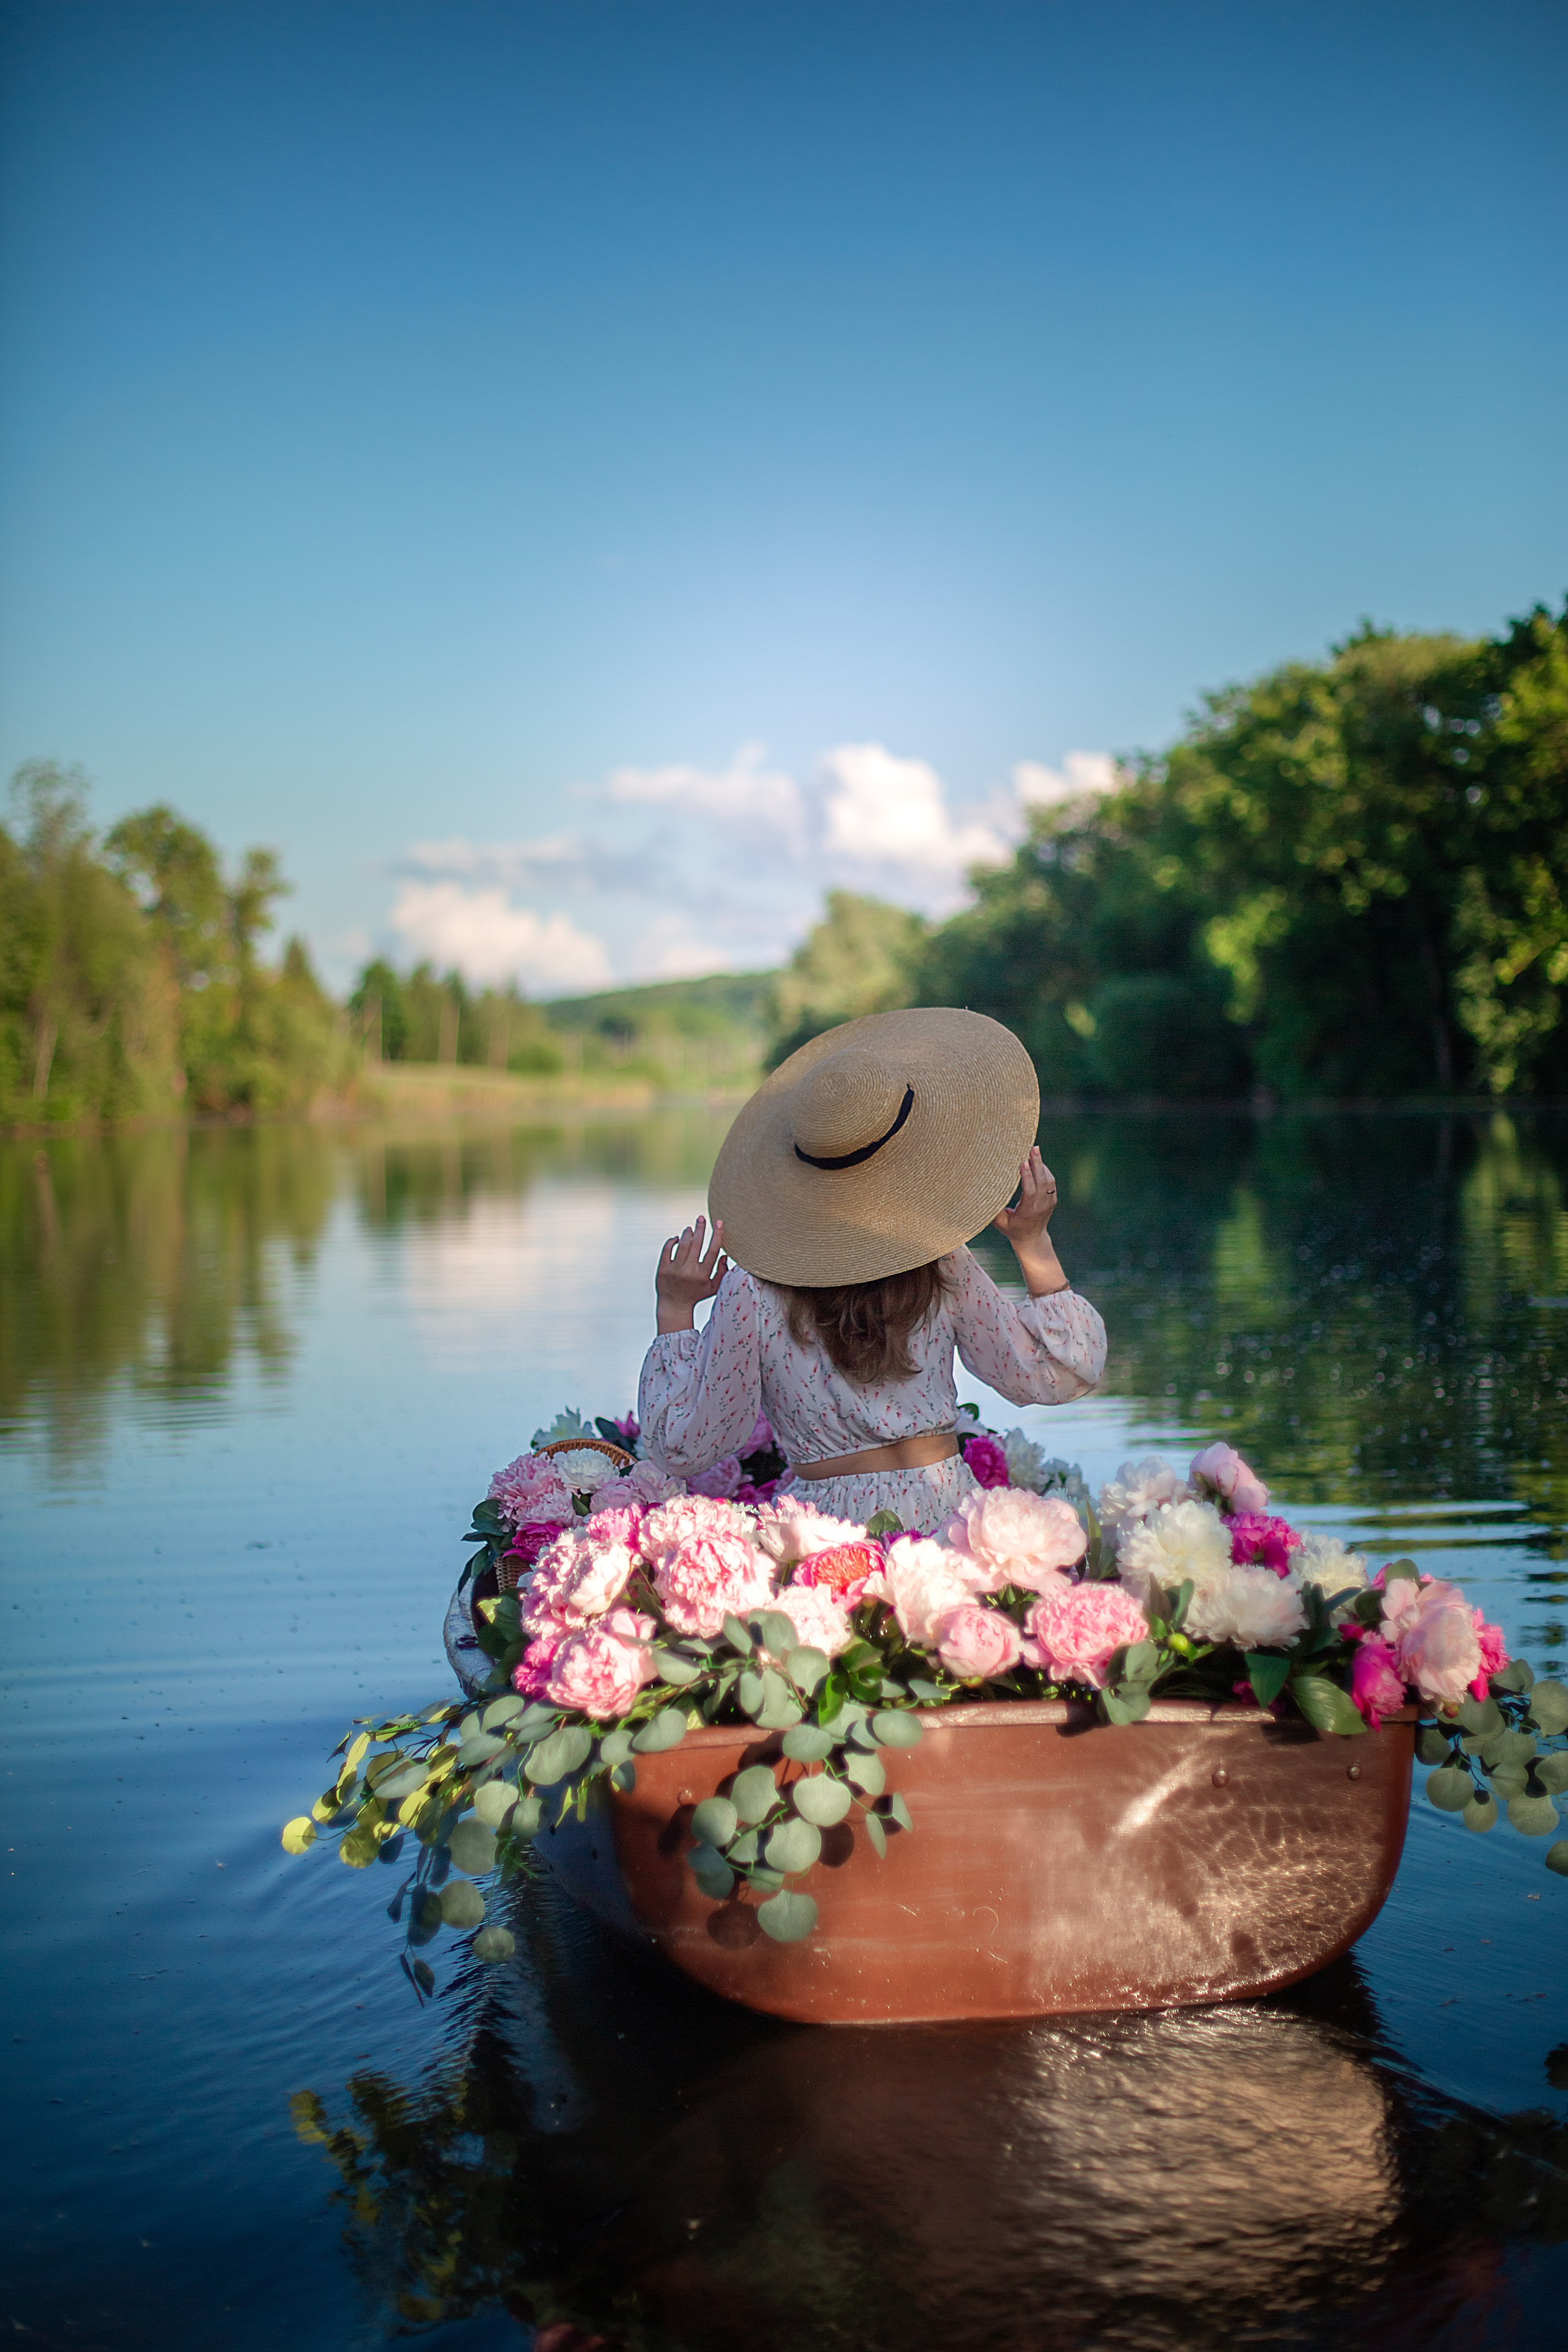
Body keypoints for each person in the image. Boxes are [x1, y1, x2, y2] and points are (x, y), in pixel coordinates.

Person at [637, 1007, 1106, 1534]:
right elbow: (1059, 1375)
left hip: (821, 1534)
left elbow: (684, 1448)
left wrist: (674, 1310)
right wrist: (1033, 1241)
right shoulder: (939, 1260)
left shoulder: (752, 1290)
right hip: (944, 1519)